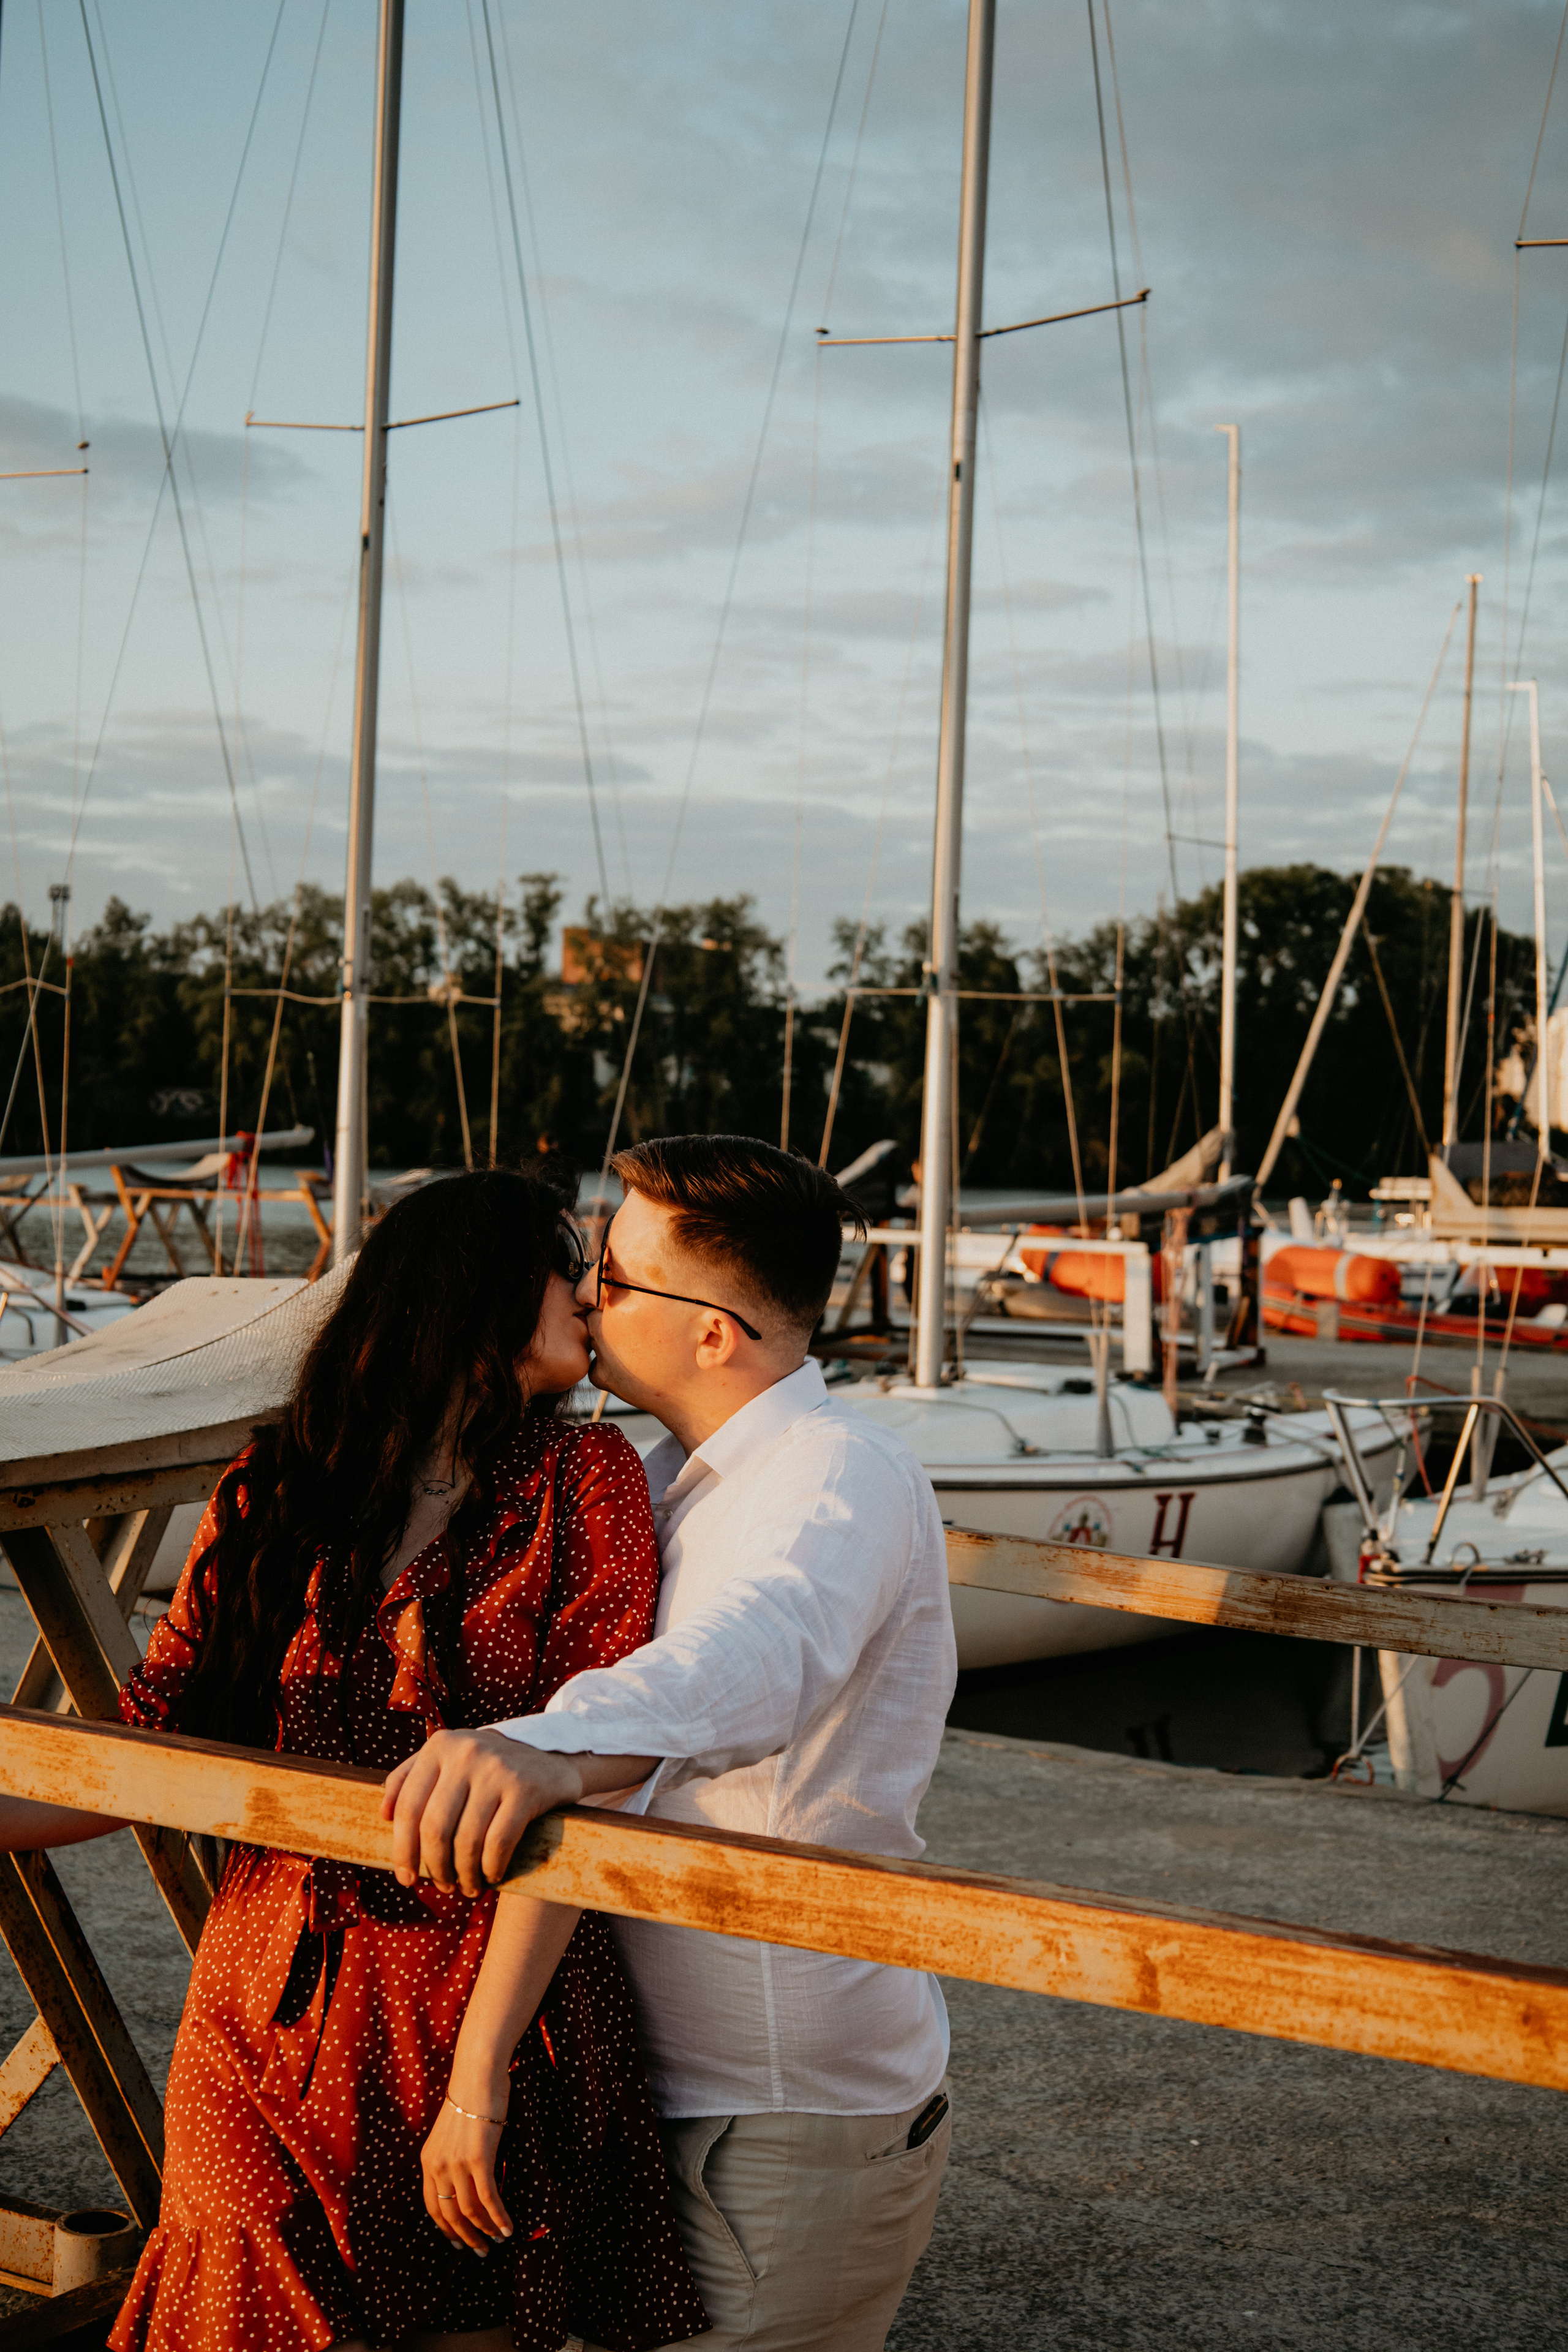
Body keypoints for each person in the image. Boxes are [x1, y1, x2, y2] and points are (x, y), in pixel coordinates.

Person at [0, 1169, 708, 2352]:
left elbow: (601, 1757)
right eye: (564, 1265)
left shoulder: (583, 1480)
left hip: (485, 1999)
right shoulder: (280, 1486)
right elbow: (152, 1740)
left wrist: (481, 2076)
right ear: (475, 1290)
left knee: (461, 2318)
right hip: (265, 1996)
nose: (590, 1293)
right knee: (233, 2303)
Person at [384, 1136, 957, 2352]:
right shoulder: (663, 1475)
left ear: (711, 1333)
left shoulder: (838, 1470)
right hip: (656, 2089)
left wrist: (547, 1745)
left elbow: (765, 1649)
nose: (585, 1294)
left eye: (614, 1276)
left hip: (781, 2113)